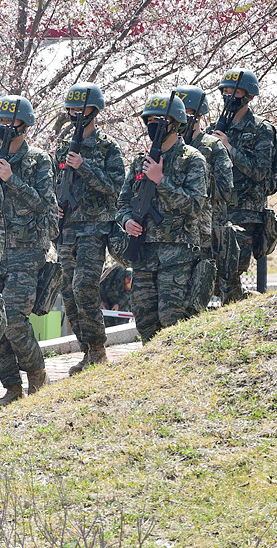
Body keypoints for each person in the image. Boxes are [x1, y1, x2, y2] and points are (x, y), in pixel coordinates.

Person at [116, 93, 207, 343]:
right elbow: (122, 203)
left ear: (177, 123)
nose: (154, 124)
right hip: (143, 254)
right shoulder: (139, 162)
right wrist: (127, 222)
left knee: (172, 321)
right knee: (145, 320)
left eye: (162, 119)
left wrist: (161, 180)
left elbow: (196, 205)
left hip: (176, 256)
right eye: (150, 119)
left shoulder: (192, 160)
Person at [0, 95, 56, 410]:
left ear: (24, 126)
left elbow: (44, 204)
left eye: (10, 122)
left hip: (27, 253)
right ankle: (12, 387)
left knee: (13, 318)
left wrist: (11, 180)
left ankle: (37, 373)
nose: (4, 128)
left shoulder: (38, 161)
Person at [55, 83, 126, 374]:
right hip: (67, 228)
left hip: (94, 228)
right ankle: (86, 350)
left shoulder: (108, 147)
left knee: (84, 286)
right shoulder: (62, 145)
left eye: (81, 110)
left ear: (94, 111)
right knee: (68, 293)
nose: (75, 115)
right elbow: (52, 179)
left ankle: (98, 349)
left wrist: (84, 166)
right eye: (71, 110)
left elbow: (115, 187)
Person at [212, 68, 277, 304]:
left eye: (235, 91)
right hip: (216, 213)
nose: (229, 96)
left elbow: (262, 173)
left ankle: (245, 307)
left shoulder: (262, 130)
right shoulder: (216, 128)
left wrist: (230, 149)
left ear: (249, 95)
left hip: (245, 214)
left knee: (231, 274)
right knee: (214, 276)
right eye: (226, 91)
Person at [174, 85, 234, 303]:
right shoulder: (169, 147)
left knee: (202, 290)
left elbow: (226, 189)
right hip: (174, 231)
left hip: (205, 230)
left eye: (187, 113)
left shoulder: (212, 146)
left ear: (199, 116)